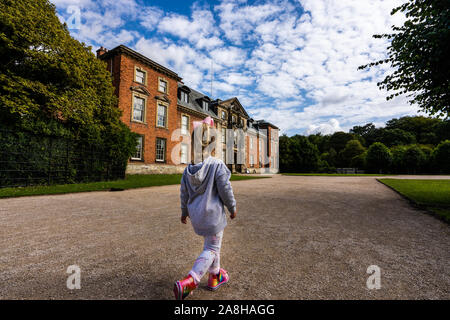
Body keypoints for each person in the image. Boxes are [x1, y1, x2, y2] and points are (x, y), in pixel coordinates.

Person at [174, 118, 237, 300]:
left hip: (197, 216)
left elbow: (184, 193)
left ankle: (215, 276)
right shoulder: (216, 165)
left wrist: (184, 212)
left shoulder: (188, 170)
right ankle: (190, 281)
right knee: (212, 248)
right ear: (213, 145)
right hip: (213, 217)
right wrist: (232, 207)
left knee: (211, 245)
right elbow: (226, 190)